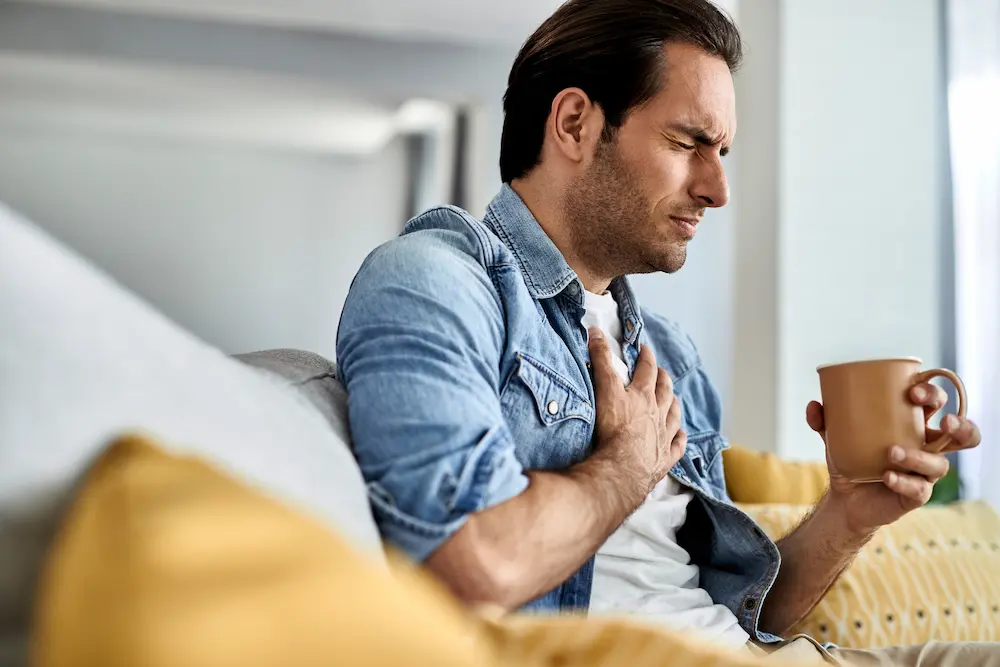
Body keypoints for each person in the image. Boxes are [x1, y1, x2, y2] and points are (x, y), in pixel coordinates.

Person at [335, 1, 986, 664]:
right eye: (686, 144)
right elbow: (464, 566)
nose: (718, 188)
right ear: (574, 123)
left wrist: (851, 514)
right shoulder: (438, 281)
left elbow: (734, 612)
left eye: (722, 151)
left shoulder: (667, 353)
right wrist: (622, 471)